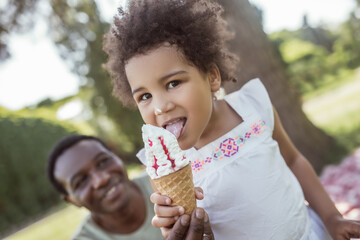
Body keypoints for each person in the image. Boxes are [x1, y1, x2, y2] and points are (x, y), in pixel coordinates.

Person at [102, 0, 360, 239]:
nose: (160, 106)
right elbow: (180, 225)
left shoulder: (252, 107)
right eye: (145, 96)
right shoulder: (162, 165)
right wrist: (173, 224)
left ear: (212, 77)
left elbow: (293, 160)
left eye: (173, 83)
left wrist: (331, 217)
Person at [47, 134, 215, 240]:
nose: (102, 179)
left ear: (118, 157)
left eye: (103, 162)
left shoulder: (165, 183)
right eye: (81, 182)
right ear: (71, 200)